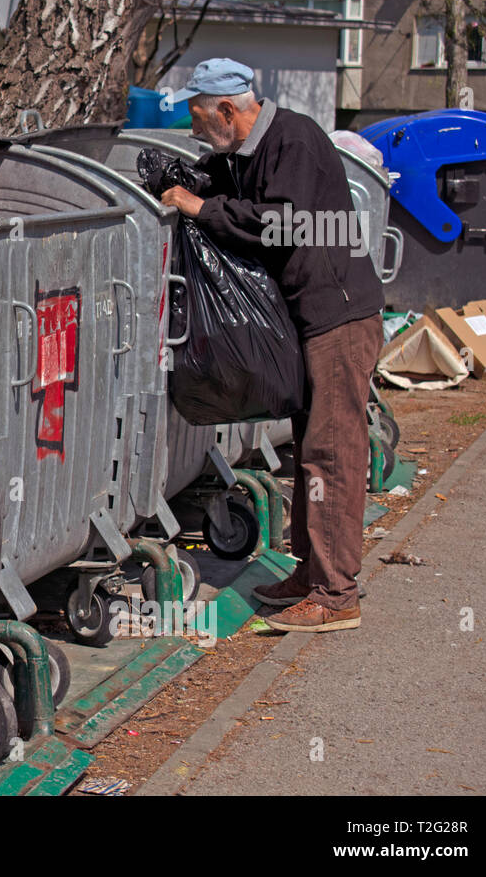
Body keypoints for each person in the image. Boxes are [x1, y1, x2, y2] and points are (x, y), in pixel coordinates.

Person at [159, 58, 385, 632]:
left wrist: (199, 206)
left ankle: (337, 594)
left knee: (331, 452)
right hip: (309, 320)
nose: (193, 126)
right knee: (313, 449)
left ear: (228, 111)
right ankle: (313, 573)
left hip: (337, 318)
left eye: (198, 115)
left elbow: (283, 223)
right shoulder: (250, 149)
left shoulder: (295, 140)